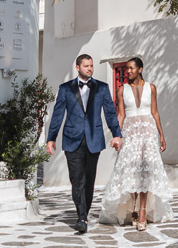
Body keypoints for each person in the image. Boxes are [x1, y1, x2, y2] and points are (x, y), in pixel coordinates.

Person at [46, 54, 122, 234]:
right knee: (76, 179)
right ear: (78, 67)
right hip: (72, 139)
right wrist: (51, 138)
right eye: (86, 66)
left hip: (94, 140)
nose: (90, 68)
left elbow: (110, 113)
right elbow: (57, 115)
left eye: (91, 66)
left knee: (89, 180)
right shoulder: (65, 89)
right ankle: (81, 216)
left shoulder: (102, 88)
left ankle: (83, 214)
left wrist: (117, 134)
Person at [99, 58, 173, 230]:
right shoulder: (121, 90)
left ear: (140, 69)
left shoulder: (151, 88)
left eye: (131, 68)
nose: (128, 71)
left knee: (145, 171)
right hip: (130, 131)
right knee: (132, 169)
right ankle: (133, 205)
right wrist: (117, 135)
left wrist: (161, 135)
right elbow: (121, 115)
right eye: (127, 69)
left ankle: (142, 211)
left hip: (148, 131)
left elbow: (155, 112)